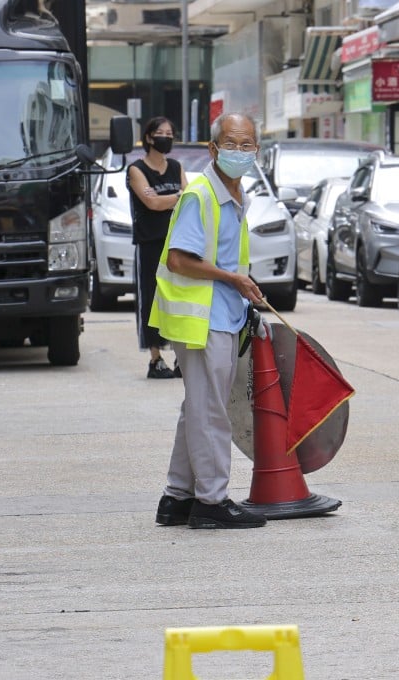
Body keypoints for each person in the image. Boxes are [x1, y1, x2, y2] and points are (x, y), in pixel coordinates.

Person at [150, 112, 268, 530]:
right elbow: (178, 258)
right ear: (213, 148)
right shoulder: (200, 194)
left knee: (198, 409)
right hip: (204, 321)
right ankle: (212, 502)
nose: (240, 152)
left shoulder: (235, 195)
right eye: (232, 143)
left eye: (248, 144)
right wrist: (233, 278)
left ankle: (177, 498)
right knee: (211, 412)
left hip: (223, 316)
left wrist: (242, 285)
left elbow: (227, 259)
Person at [127, 116, 186, 379]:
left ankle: (181, 357)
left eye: (170, 133)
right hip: (149, 244)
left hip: (177, 243)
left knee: (178, 297)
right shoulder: (136, 169)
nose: (167, 137)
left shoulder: (176, 166)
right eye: (161, 132)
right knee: (151, 299)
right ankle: (155, 358)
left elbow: (189, 199)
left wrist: (166, 199)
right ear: (149, 137)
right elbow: (152, 204)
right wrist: (177, 198)